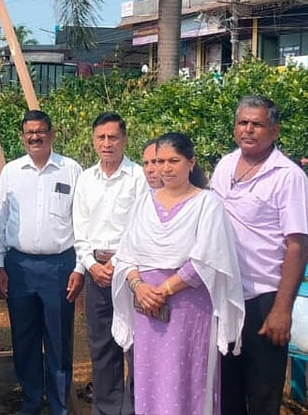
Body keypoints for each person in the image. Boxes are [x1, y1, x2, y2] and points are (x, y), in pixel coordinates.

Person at [112, 133, 245, 415]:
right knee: (150, 379)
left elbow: (207, 260)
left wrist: (163, 290)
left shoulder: (208, 204)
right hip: (147, 309)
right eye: (159, 161)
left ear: (191, 163)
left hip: (189, 307)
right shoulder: (143, 203)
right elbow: (126, 255)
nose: (165, 168)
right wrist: (139, 287)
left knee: (187, 379)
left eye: (174, 161)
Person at [210, 95, 308, 415]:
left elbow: (297, 246)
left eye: (257, 124)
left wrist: (282, 309)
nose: (249, 129)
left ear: (275, 130)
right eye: (243, 123)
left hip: (265, 299)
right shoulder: (225, 165)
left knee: (262, 394)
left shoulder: (288, 176)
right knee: (225, 392)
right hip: (224, 298)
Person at [0, 109, 84, 415]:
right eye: (29, 132)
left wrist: (79, 267)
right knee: (24, 339)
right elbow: (0, 220)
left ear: (51, 134)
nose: (35, 137)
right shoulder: (11, 171)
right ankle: (31, 402)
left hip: (59, 266)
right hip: (19, 267)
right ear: (22, 137)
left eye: (40, 131)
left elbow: (81, 221)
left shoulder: (71, 170)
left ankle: (59, 407)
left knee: (59, 340)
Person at [72, 112, 144, 415]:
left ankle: (135, 408)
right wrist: (91, 265)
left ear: (124, 139)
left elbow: (141, 225)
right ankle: (106, 409)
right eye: (101, 137)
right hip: (96, 273)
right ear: (93, 140)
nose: (106, 143)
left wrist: (118, 262)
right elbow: (79, 228)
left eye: (112, 137)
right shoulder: (86, 179)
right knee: (102, 345)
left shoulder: (139, 177)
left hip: (130, 273)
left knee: (135, 344)